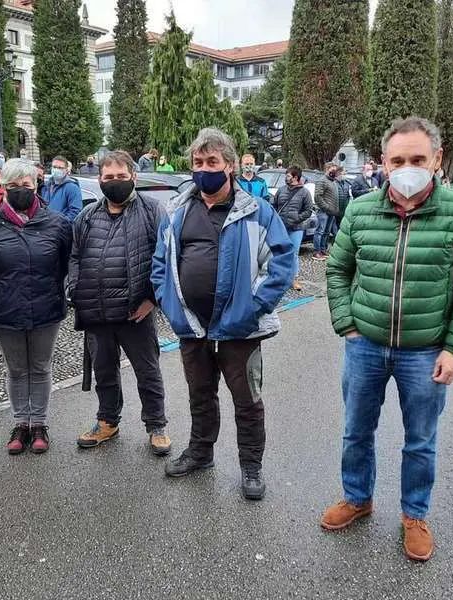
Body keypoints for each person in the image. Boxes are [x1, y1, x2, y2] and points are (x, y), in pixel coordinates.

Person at [322, 117, 453, 562]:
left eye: (417, 159)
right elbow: (337, 270)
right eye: (397, 160)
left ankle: (414, 515)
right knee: (356, 431)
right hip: (365, 345)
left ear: (437, 160)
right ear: (383, 162)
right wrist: (347, 323)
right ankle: (357, 498)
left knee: (420, 439)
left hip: (426, 351)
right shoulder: (360, 210)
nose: (407, 168)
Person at [152, 127, 296, 501]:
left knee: (247, 400)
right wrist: (170, 305)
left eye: (212, 162)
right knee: (200, 395)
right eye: (198, 163)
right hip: (193, 329)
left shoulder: (257, 211)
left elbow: (281, 263)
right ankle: (201, 453)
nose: (204, 169)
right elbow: (160, 265)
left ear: (230, 166)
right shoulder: (177, 212)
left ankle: (251, 465)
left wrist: (252, 308)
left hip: (240, 330)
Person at [67, 151, 170, 454]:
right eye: (109, 178)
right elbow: (75, 257)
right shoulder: (86, 216)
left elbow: (166, 259)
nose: (115, 182)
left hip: (135, 312)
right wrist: (74, 288)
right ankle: (107, 421)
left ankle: (156, 425)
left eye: (121, 177)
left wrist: (152, 299)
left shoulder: (152, 211)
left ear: (133, 178)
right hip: (96, 313)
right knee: (104, 372)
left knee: (147, 371)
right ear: (100, 180)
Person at [0, 159, 72, 454]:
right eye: (13, 185)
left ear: (36, 185)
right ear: (3, 187)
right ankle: (21, 423)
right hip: (6, 308)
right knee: (16, 369)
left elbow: (66, 264)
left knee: (40, 367)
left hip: (46, 308)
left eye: (26, 185)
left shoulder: (57, 224)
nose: (20, 190)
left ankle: (39, 423)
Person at [272, 165, 314, 291]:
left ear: (296, 177)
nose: (286, 178)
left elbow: (308, 210)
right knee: (279, 252)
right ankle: (278, 277)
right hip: (281, 227)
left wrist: (297, 218)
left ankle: (294, 279)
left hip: (296, 228)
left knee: (294, 253)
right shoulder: (281, 190)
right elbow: (274, 206)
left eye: (288, 176)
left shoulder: (304, 192)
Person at [312, 163, 340, 260]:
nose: (335, 172)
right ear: (327, 169)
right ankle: (316, 251)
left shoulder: (333, 181)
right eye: (333, 170)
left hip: (331, 212)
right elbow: (317, 196)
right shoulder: (322, 181)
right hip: (323, 211)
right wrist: (326, 207)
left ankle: (323, 249)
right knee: (320, 231)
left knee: (327, 232)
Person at [43, 156, 82, 221]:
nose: (56, 170)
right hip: (46, 226)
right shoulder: (47, 185)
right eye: (54, 167)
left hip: (61, 228)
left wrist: (59, 224)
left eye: (60, 168)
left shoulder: (72, 187)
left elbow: (75, 212)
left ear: (66, 170)